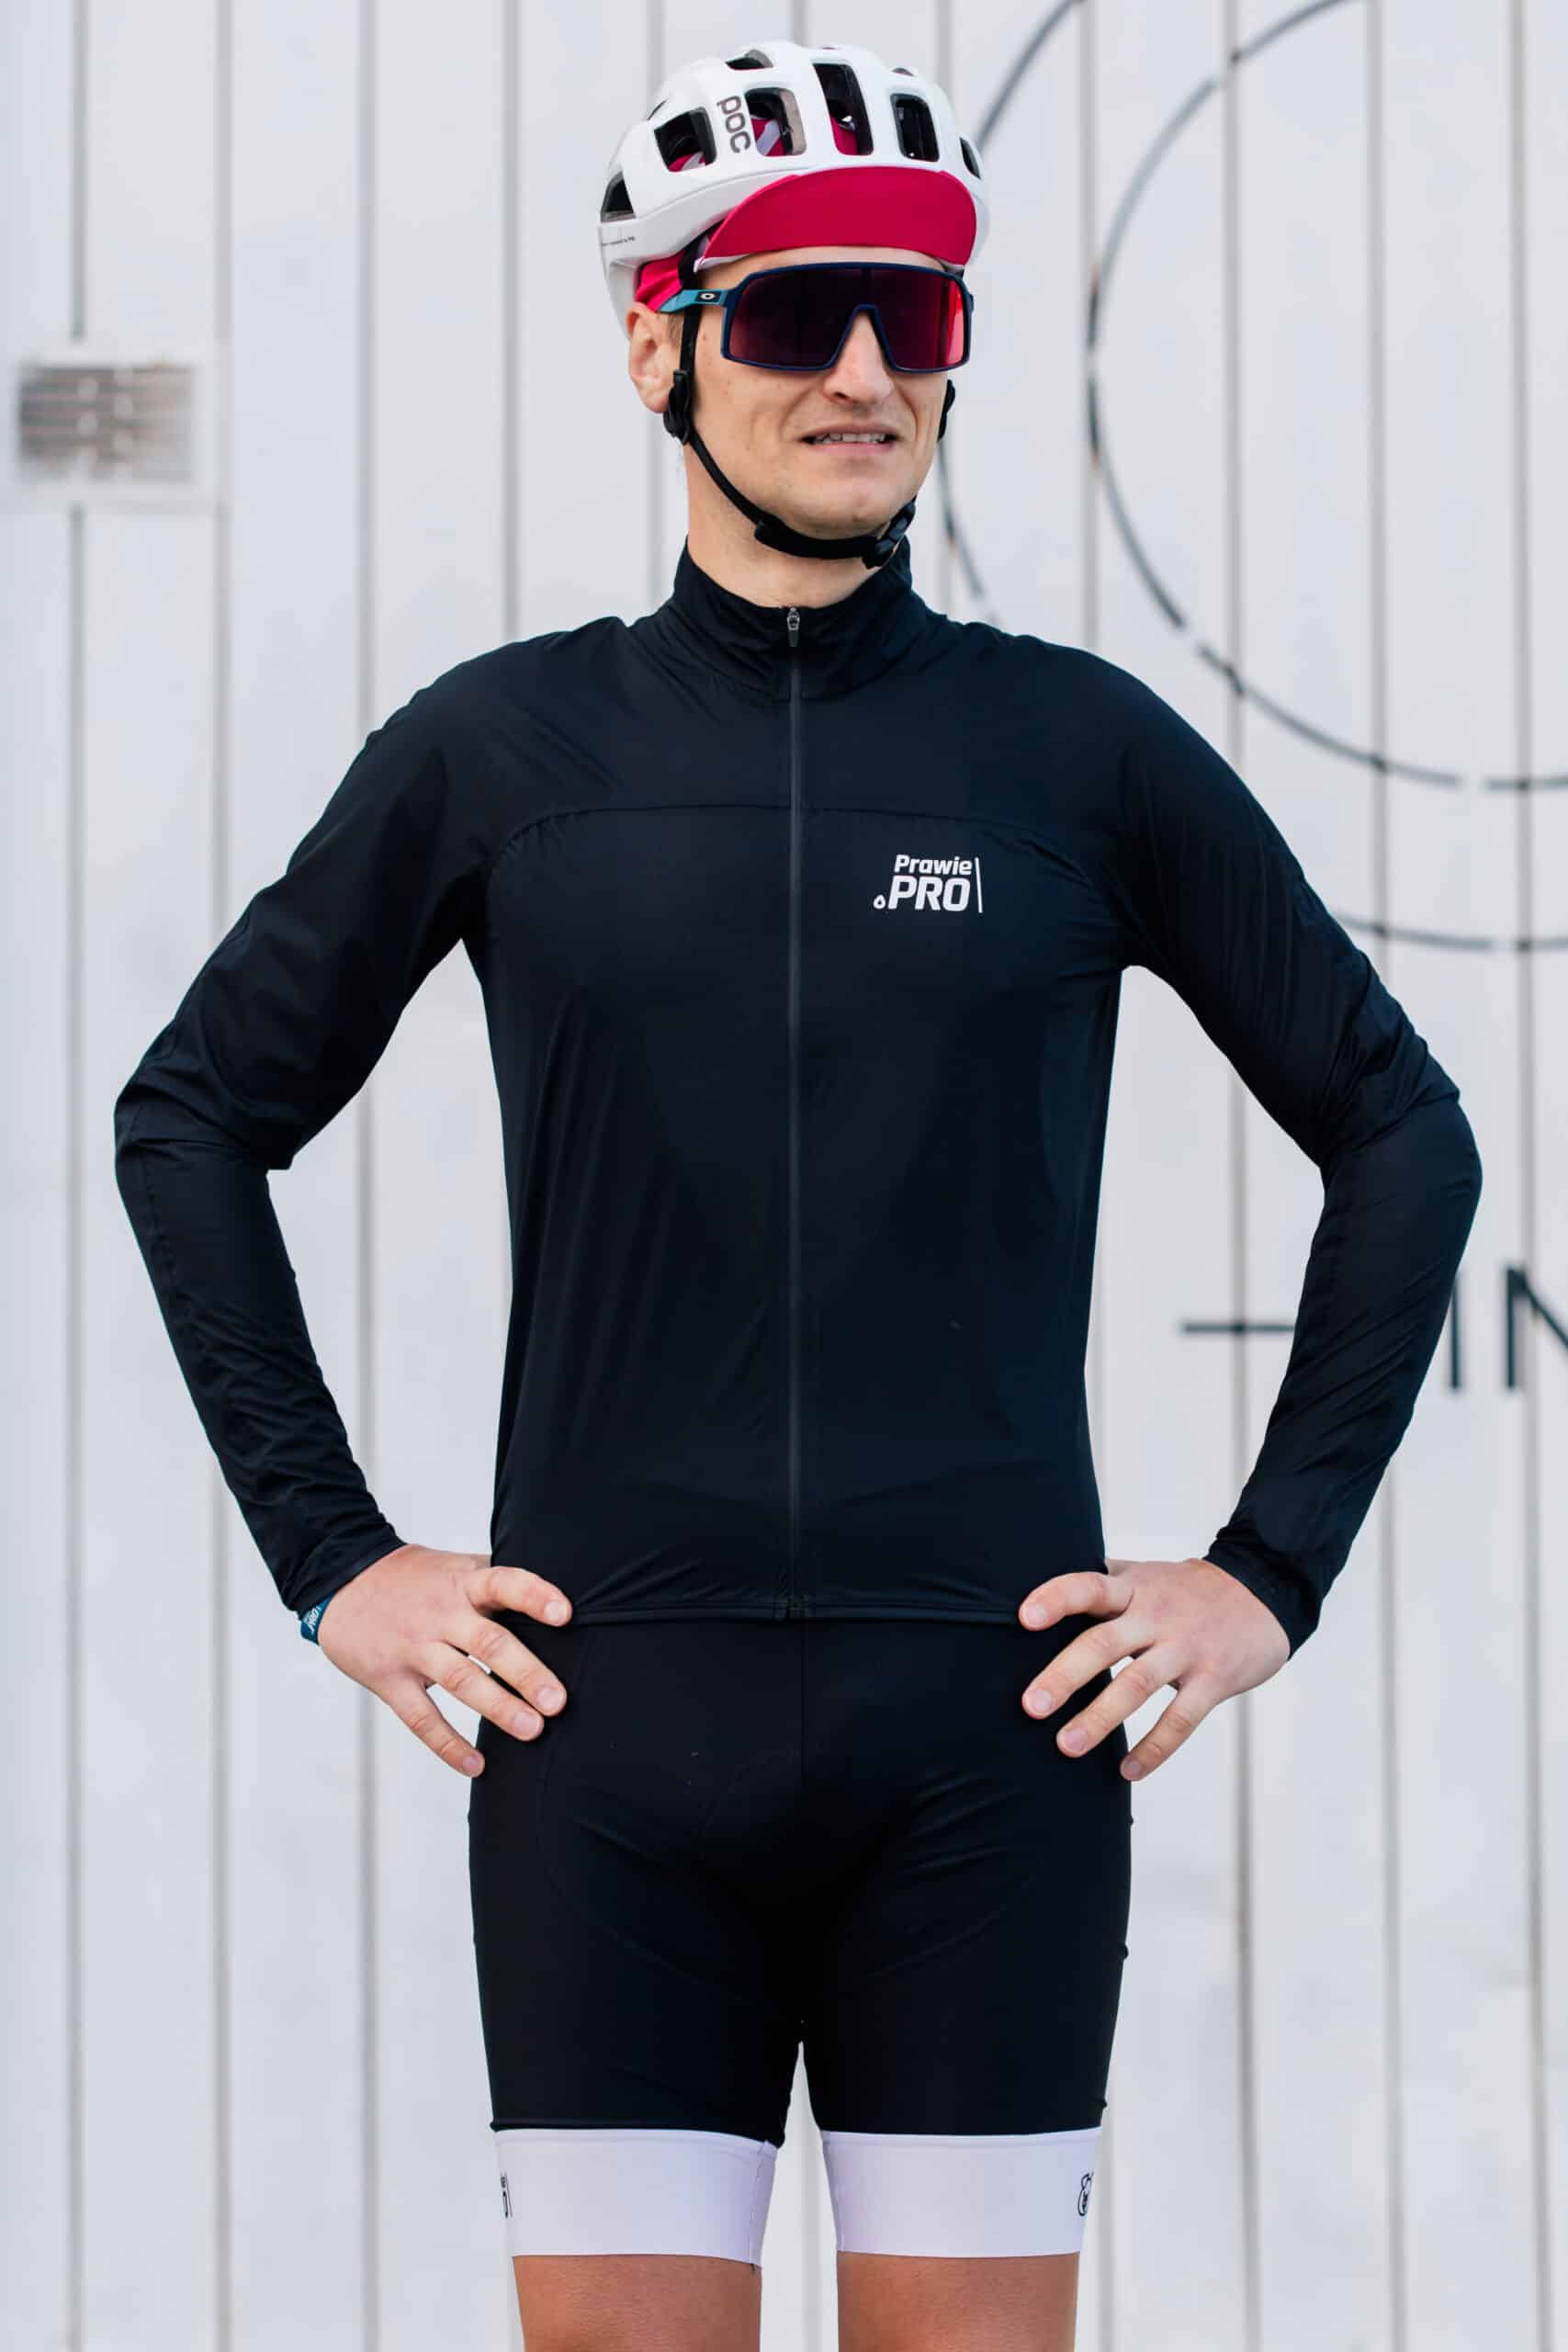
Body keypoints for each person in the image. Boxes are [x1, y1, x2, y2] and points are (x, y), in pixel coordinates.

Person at [112, 35, 1483, 2352]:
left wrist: (1267, 1569)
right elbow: (191, 1115)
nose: (859, 368)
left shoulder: (1073, 751)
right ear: (658, 343)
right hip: (608, 1752)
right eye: (788, 311)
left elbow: (1400, 1125)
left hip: (986, 1754)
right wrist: (332, 1554)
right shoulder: (504, 750)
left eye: (911, 312)